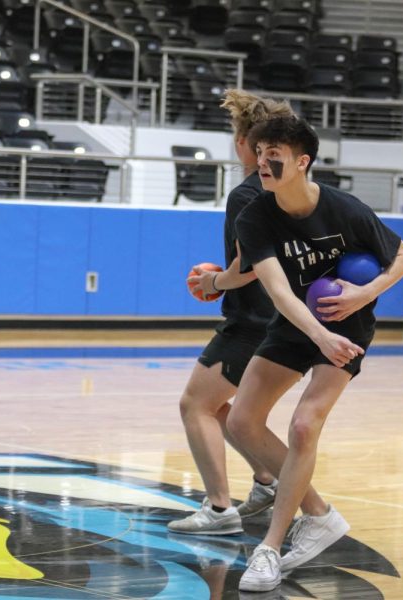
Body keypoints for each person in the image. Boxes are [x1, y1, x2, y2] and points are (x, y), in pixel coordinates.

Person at [226, 116, 403, 592]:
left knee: (305, 423)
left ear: (302, 161)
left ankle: (269, 548)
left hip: (347, 322)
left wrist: (363, 294)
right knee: (241, 422)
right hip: (297, 323)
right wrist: (317, 336)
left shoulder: (344, 209)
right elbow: (279, 292)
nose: (263, 161)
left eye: (275, 154)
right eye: (261, 150)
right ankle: (319, 514)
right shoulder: (254, 216)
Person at [167, 90, 294, 536]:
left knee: (194, 405)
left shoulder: (246, 192)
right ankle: (267, 481)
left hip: (252, 322)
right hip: (282, 320)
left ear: (245, 141)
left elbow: (249, 265)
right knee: (222, 408)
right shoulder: (290, 189)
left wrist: (213, 282)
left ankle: (221, 510)